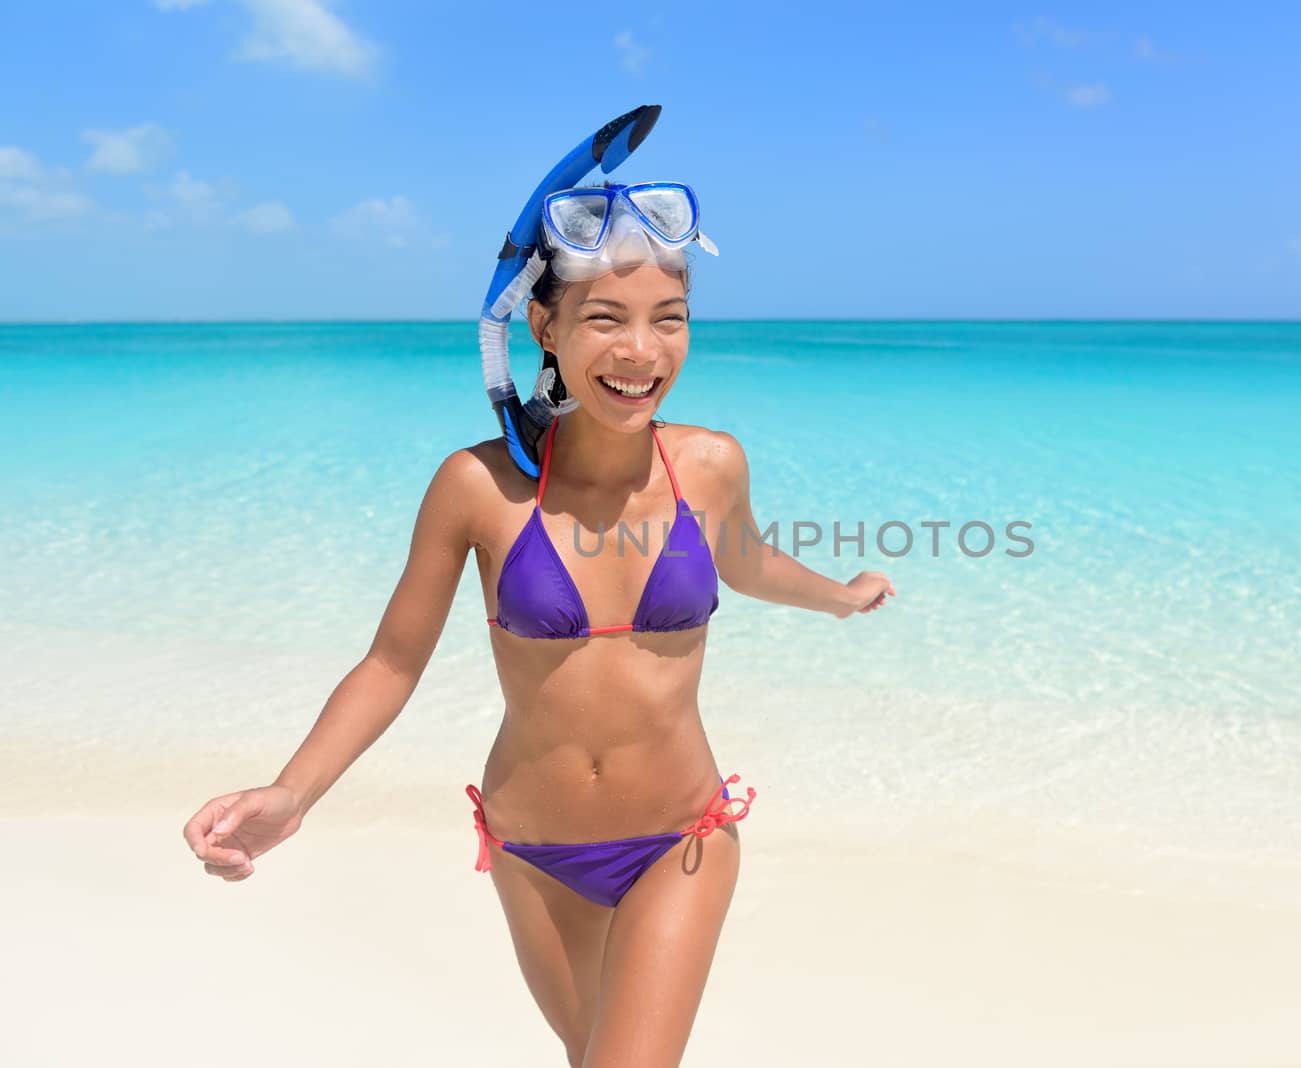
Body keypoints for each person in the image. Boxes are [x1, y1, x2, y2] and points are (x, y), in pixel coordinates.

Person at [181, 111, 895, 1068]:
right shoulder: (478, 487)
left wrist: (842, 596)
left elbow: (750, 564)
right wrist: (292, 791)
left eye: (667, 320)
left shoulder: (710, 465)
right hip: (531, 850)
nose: (641, 351)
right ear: (544, 325)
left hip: (679, 837)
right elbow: (393, 663)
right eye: (606, 318)